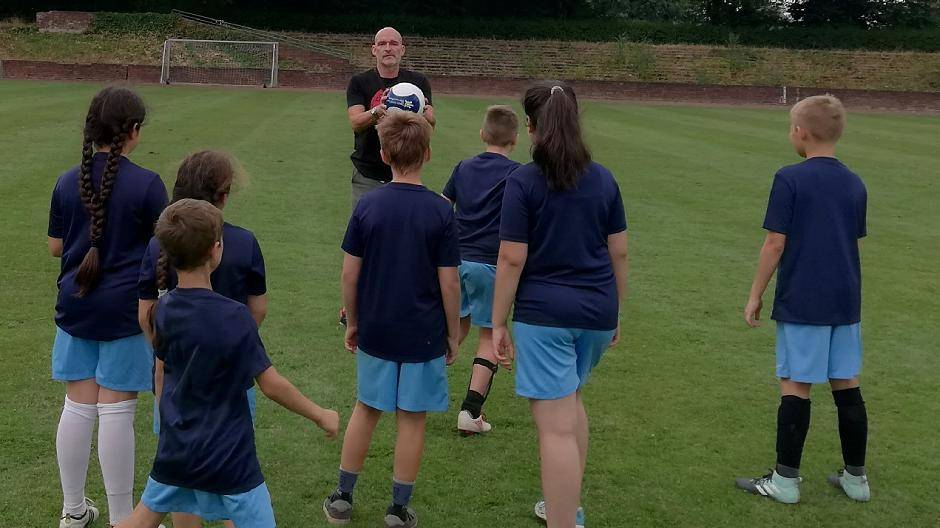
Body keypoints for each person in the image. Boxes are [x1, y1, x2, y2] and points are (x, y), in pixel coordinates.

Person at [118, 199, 339, 528]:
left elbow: (161, 375)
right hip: (230, 455)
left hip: (177, 448)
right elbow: (271, 384)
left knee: (140, 519)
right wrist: (321, 415)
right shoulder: (235, 316)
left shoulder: (161, 312)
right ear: (215, 250)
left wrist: (169, 430)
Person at [491, 81, 628, 528]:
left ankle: (563, 519)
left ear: (531, 128)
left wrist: (496, 324)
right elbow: (619, 252)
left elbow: (512, 257)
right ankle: (568, 508)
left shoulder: (523, 181)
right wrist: (617, 312)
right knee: (569, 407)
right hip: (596, 314)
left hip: (545, 317)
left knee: (555, 429)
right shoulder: (604, 178)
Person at [323, 112, 461, 528]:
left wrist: (353, 321)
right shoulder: (441, 211)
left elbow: (350, 272)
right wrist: (453, 333)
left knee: (367, 408)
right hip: (422, 331)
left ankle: (343, 497)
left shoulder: (369, 204)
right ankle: (398, 508)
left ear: (383, 155)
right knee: (411, 417)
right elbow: (449, 283)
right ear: (429, 154)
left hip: (377, 328)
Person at [735, 95, 870, 504]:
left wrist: (755, 294)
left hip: (803, 297)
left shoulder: (789, 177)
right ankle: (856, 479)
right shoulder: (854, 181)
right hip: (845, 299)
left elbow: (775, 242)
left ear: (801, 132)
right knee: (846, 382)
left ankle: (785, 481)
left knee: (795, 384)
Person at [48, 86, 168, 528]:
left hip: (75, 308)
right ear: (133, 131)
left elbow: (55, 246)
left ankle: (73, 510)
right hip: (126, 314)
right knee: (116, 410)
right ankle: (121, 518)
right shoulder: (148, 184)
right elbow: (165, 249)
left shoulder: (66, 181)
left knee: (78, 407)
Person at [137, 150, 267, 528]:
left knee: (180, 481)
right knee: (234, 474)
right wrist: (231, 343)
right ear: (224, 196)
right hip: (233, 380)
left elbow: (146, 316)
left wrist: (174, 349)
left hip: (175, 381)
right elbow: (258, 309)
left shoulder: (159, 243)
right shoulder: (242, 242)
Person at [441, 105, 521, 435]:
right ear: (515, 140)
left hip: (457, 261)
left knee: (453, 328)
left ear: (482, 135)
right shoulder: (518, 175)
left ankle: (414, 385)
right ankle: (471, 412)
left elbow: (444, 209)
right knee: (489, 335)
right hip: (492, 264)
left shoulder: (463, 167)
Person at [346, 26, 435, 208]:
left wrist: (430, 118)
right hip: (368, 173)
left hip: (407, 173)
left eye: (394, 43)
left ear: (402, 50)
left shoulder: (418, 83)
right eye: (382, 43)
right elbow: (355, 123)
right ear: (374, 50)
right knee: (365, 230)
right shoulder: (359, 82)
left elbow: (430, 125)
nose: (388, 48)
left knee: (405, 231)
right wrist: (377, 111)